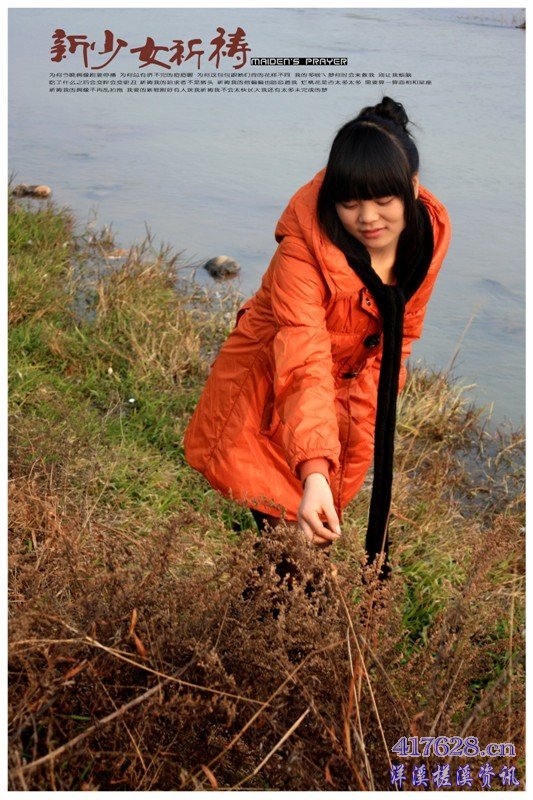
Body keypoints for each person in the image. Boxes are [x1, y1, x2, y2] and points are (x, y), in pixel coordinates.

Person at [184, 96, 452, 579]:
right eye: (350, 203)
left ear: (413, 188)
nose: (368, 218)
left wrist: (357, 440)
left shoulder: (427, 238)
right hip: (267, 393)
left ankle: (257, 621)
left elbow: (399, 343)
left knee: (303, 551)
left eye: (383, 201)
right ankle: (267, 624)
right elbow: (303, 360)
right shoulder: (302, 252)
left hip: (340, 401)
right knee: (296, 555)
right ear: (333, 196)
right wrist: (314, 471)